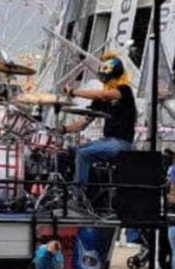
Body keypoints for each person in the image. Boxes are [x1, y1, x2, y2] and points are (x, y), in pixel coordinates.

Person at [59, 56, 137, 193]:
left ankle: (79, 197)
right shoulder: (101, 100)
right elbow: (83, 123)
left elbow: (102, 95)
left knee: (83, 154)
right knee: (67, 153)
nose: (103, 80)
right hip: (105, 141)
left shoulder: (124, 90)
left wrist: (73, 92)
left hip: (121, 143)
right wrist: (63, 129)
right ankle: (65, 191)